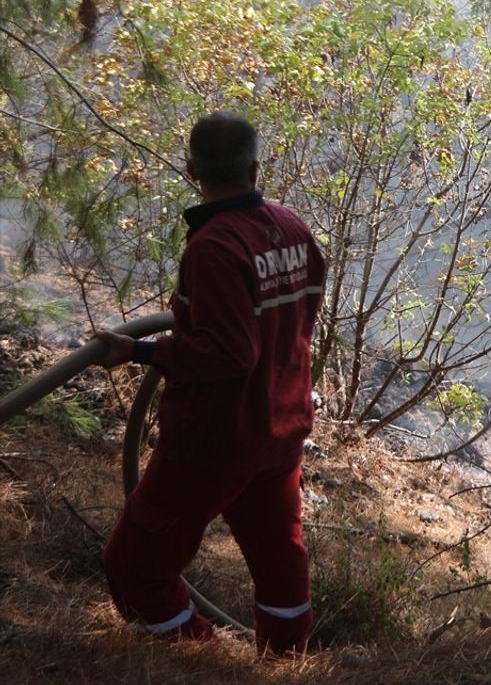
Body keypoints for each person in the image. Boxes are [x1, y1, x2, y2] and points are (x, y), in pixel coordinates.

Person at [93, 111, 325, 655]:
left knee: (134, 565)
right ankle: (286, 658)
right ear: (256, 167)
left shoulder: (215, 247)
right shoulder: (292, 228)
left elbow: (229, 353)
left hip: (214, 440)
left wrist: (141, 350)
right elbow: (295, 323)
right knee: (279, 558)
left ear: (191, 168)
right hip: (280, 428)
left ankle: (199, 656)